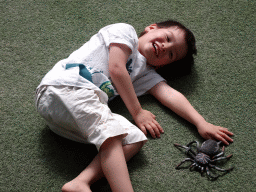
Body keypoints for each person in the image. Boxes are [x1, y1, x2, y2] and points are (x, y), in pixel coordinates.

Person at [35, 20, 233, 192]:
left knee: (133, 139)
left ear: (163, 65)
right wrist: (137, 112)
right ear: (150, 28)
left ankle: (81, 181)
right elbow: (116, 68)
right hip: (66, 87)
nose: (165, 46)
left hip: (64, 119)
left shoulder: (143, 73)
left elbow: (169, 94)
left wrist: (200, 122)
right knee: (112, 133)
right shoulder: (125, 32)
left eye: (171, 54)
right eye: (167, 37)